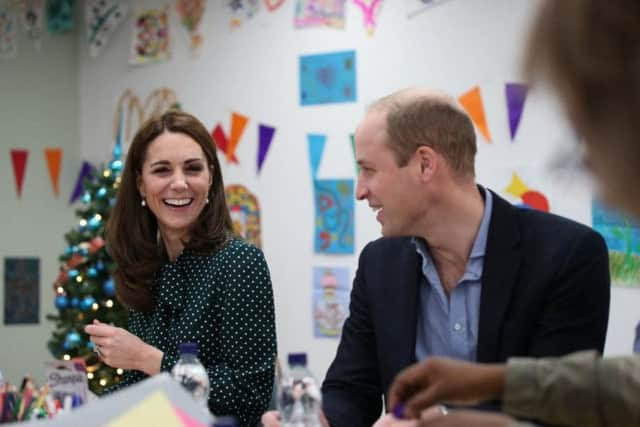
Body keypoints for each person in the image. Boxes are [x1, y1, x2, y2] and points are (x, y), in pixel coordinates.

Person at [263, 87, 611, 427]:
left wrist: (441, 422)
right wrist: (321, 420)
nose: (359, 191)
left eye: (369, 170)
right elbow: (352, 387)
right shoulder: (379, 264)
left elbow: (558, 410)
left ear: (425, 165)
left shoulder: (568, 256)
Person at [385, 1, 640, 426]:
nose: (601, 178)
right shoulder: (384, 262)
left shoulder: (568, 252)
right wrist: (493, 382)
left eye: (592, 135)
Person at [85, 111, 277, 427]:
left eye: (193, 169)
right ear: (140, 184)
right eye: (162, 170)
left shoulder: (240, 262)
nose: (179, 183)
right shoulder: (147, 266)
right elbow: (141, 388)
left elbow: (249, 395)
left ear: (211, 177)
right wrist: (84, 408)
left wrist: (147, 359)